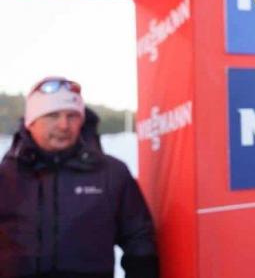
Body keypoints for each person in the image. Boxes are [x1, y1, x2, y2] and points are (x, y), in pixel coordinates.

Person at [0, 76, 159, 278]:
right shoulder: (6, 178)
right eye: (52, 115)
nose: (64, 125)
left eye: (72, 116)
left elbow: (139, 240)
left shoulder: (111, 174)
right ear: (31, 122)